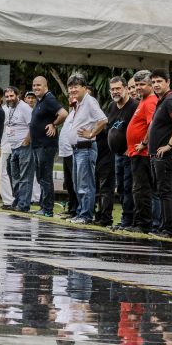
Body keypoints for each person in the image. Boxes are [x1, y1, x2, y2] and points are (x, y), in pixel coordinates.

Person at [147, 68, 172, 239]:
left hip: (165, 156)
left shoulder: (170, 100)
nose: (156, 85)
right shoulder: (161, 101)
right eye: (153, 82)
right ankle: (162, 227)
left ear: (168, 82)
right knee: (160, 191)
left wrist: (169, 145)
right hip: (156, 155)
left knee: (165, 191)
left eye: (159, 81)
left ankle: (169, 230)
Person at [66, 73, 108, 224]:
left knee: (85, 184)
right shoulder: (79, 103)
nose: (73, 90)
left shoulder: (90, 101)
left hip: (86, 148)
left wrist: (91, 134)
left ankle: (86, 215)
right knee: (78, 184)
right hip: (77, 149)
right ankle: (80, 213)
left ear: (84, 87)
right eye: (70, 87)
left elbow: (103, 120)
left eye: (76, 87)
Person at [125, 70, 158, 234]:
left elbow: (152, 124)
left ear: (150, 84)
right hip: (135, 153)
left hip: (143, 154)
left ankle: (143, 224)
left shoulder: (151, 101)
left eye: (142, 84)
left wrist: (144, 143)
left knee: (141, 189)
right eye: (136, 84)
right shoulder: (143, 100)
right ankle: (138, 221)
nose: (138, 88)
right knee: (137, 188)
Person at [30, 76, 68, 216]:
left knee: (45, 177)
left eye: (38, 85)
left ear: (46, 86)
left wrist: (54, 124)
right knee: (41, 177)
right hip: (38, 145)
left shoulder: (49, 98)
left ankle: (47, 209)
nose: (36, 87)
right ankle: (43, 207)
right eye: (34, 85)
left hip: (46, 145)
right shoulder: (40, 101)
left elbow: (63, 113)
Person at [107, 76, 138, 231]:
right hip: (117, 154)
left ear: (126, 88)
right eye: (112, 89)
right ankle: (125, 218)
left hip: (130, 155)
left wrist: (131, 147)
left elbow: (141, 128)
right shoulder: (112, 106)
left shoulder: (134, 106)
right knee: (120, 187)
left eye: (118, 88)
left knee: (128, 187)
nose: (115, 92)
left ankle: (129, 220)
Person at [4, 86, 34, 212]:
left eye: (11, 96)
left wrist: (27, 140)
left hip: (24, 146)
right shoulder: (10, 108)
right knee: (14, 176)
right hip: (13, 147)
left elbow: (32, 125)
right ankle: (17, 201)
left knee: (25, 177)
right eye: (7, 96)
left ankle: (23, 205)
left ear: (18, 95)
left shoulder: (25, 107)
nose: (9, 98)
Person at [58, 90, 79, 219]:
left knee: (75, 182)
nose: (71, 98)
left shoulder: (80, 112)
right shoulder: (71, 112)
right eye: (70, 96)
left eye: (74, 96)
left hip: (73, 152)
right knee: (69, 182)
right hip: (65, 152)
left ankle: (77, 209)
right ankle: (72, 207)